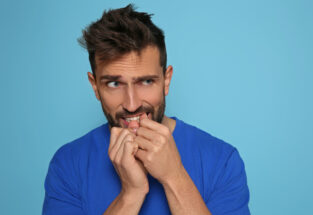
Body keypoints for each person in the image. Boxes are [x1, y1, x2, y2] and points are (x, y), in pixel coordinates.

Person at [43, 4, 250, 215]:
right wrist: (131, 193)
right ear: (95, 86)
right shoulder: (68, 165)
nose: (132, 105)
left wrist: (175, 177)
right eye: (114, 84)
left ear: (166, 80)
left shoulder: (222, 161)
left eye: (146, 81)